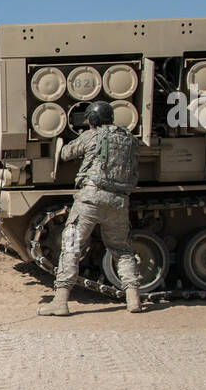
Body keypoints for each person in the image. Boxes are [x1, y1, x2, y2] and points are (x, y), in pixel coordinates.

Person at [37, 102, 142, 316]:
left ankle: (60, 301)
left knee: (71, 245)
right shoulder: (130, 140)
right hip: (119, 201)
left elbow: (66, 153)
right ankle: (133, 298)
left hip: (90, 199)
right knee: (121, 249)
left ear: (92, 120)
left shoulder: (92, 136)